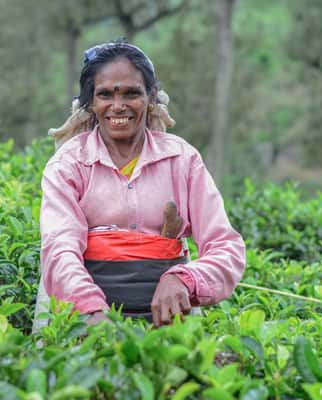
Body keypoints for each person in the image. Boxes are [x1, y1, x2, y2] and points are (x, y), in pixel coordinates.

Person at [39, 41, 246, 328]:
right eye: (105, 94)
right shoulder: (69, 165)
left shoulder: (182, 160)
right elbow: (59, 250)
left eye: (131, 93)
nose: (118, 105)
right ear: (91, 102)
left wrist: (184, 279)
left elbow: (226, 247)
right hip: (83, 320)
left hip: (168, 320)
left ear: (150, 98)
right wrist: (89, 308)